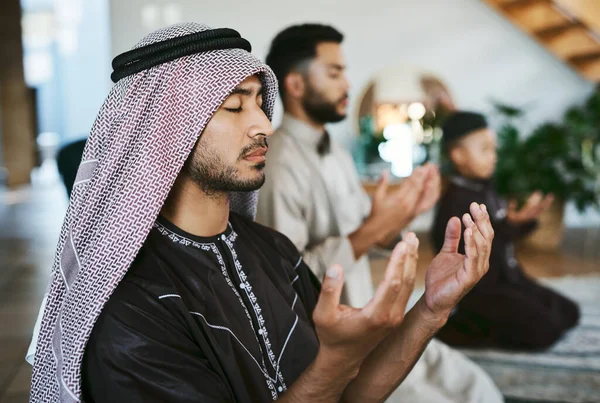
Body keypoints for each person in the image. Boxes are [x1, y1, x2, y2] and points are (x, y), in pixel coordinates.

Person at [28, 23, 494, 403]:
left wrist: (432, 307)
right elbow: (332, 376)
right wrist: (335, 359)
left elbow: (348, 394)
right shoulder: (130, 309)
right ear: (167, 132)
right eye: (233, 106)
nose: (264, 123)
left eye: (257, 101)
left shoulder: (272, 249)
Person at [257, 24, 503, 403]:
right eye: (335, 73)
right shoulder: (275, 165)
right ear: (295, 84)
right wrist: (374, 228)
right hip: (335, 350)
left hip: (376, 323)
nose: (348, 85)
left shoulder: (337, 154)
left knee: (478, 388)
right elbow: (286, 280)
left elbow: (365, 236)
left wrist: (403, 216)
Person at [432, 111, 580, 350]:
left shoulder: (485, 187)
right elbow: (477, 259)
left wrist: (520, 220)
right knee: (546, 329)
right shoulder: (455, 203)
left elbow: (501, 235)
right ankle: (462, 327)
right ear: (458, 155)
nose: (493, 156)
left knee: (570, 312)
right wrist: (510, 224)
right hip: (484, 292)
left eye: (493, 149)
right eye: (485, 150)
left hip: (509, 279)